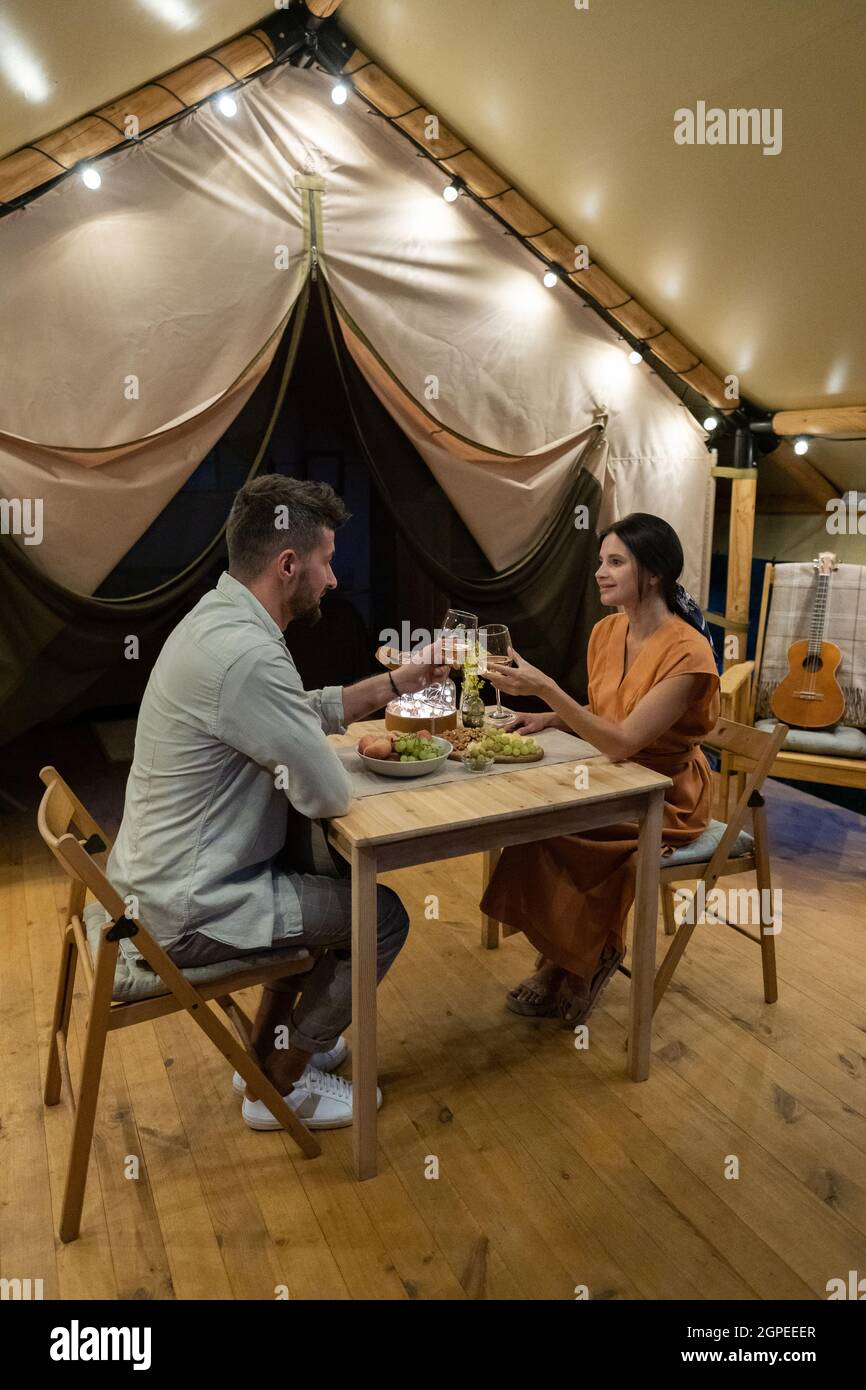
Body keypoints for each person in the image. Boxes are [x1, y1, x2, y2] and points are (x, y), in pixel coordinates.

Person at [108, 475, 447, 1129]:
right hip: (188, 909)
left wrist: (397, 682)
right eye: (327, 561)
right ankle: (281, 1085)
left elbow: (293, 712)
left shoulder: (216, 619)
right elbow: (325, 791)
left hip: (153, 884)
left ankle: (276, 1044)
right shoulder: (247, 654)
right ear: (289, 564)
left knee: (321, 876)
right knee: (377, 916)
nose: (334, 581)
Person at [480, 512, 720, 1025]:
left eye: (615, 562)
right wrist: (545, 718)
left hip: (665, 792)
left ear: (652, 574)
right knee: (532, 818)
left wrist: (547, 689)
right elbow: (606, 721)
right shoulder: (607, 632)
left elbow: (624, 742)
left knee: (568, 832)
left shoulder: (689, 652)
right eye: (600, 561)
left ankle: (586, 961)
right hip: (615, 776)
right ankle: (561, 959)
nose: (600, 573)